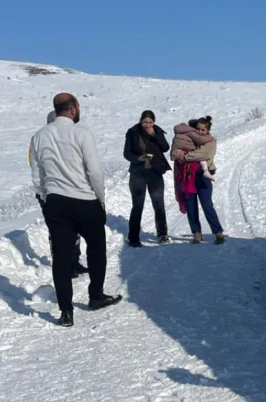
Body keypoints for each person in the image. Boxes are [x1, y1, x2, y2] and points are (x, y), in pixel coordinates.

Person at [30, 93, 122, 327]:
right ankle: (96, 295)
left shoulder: (39, 136)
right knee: (96, 249)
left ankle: (66, 312)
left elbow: (37, 175)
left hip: (56, 202)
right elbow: (95, 171)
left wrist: (46, 198)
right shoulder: (82, 133)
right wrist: (100, 198)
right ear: (73, 108)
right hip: (85, 200)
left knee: (61, 257)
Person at [29, 110, 88, 278]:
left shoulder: (69, 138)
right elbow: (35, 168)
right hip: (50, 193)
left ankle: (74, 261)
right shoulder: (40, 139)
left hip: (71, 190)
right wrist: (43, 194)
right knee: (57, 232)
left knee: (75, 228)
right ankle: (62, 266)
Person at [172, 116, 225, 245]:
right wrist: (178, 153)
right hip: (188, 176)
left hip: (202, 176)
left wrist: (185, 156)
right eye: (198, 129)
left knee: (207, 204)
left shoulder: (210, 142)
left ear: (208, 130)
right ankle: (196, 232)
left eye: (203, 130)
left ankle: (218, 232)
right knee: (190, 205)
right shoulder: (190, 139)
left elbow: (203, 154)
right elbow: (174, 152)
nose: (200, 132)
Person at [123, 110, 172, 247]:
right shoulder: (133, 132)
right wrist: (138, 158)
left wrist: (154, 135)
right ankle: (133, 238)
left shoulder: (157, 131)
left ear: (154, 122)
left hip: (155, 172)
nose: (148, 125)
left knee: (159, 204)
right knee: (137, 206)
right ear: (140, 121)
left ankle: (162, 234)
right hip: (137, 173)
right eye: (145, 122)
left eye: (150, 122)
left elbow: (165, 147)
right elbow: (126, 153)